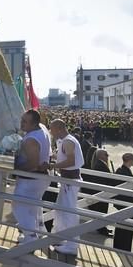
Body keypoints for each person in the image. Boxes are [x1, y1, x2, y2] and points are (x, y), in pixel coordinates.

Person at [12, 109, 51, 245]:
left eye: (25, 121)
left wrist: (16, 170)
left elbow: (33, 164)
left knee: (19, 207)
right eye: (21, 120)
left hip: (32, 178)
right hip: (39, 179)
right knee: (32, 207)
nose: (21, 124)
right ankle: (38, 232)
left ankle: (30, 237)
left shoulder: (31, 139)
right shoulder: (42, 130)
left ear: (34, 124)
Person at [49, 119, 84, 256]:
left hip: (71, 180)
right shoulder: (66, 140)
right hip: (67, 180)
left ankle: (72, 245)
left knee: (69, 212)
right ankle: (62, 238)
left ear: (58, 129)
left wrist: (53, 166)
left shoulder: (68, 141)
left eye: (51, 129)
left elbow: (71, 161)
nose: (51, 132)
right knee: (61, 210)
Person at [112, 153, 133, 251]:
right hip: (126, 203)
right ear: (130, 160)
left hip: (122, 202)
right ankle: (124, 248)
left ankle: (119, 246)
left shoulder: (121, 170)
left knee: (121, 226)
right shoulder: (124, 172)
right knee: (127, 228)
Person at [84, 149, 114, 237]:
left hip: (102, 192)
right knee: (101, 211)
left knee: (103, 211)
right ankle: (101, 229)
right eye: (106, 154)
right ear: (100, 156)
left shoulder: (99, 164)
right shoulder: (100, 165)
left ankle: (103, 228)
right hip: (101, 192)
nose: (107, 156)